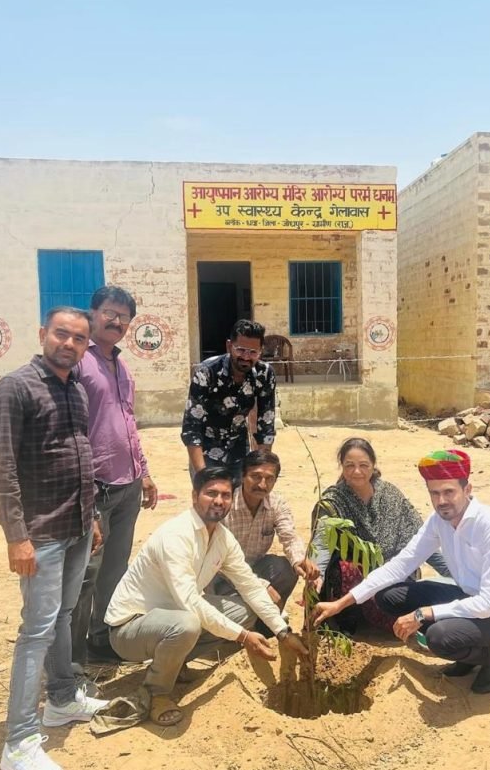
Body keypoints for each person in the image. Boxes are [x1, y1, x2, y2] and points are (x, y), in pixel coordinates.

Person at [0, 307, 108, 770]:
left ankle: (61, 699)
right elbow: (3, 471)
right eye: (61, 334)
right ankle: (18, 743)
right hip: (40, 533)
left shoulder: (76, 388)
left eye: (79, 338)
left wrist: (91, 516)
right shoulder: (14, 389)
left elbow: (79, 453)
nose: (69, 344)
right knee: (36, 629)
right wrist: (16, 536)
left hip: (75, 527)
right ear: (42, 334)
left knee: (63, 615)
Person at [312, 449, 490, 694]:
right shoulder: (438, 521)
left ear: (467, 489)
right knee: (389, 596)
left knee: (438, 637)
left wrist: (422, 614)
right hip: (469, 598)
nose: (441, 501)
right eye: (434, 493)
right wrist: (341, 603)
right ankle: (469, 655)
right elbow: (401, 564)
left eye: (449, 492)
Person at [105, 466, 308, 726]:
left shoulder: (222, 538)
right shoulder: (176, 535)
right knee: (187, 624)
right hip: (130, 628)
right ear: (194, 496)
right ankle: (156, 694)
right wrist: (243, 636)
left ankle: (174, 664)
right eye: (211, 493)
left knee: (244, 611)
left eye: (225, 495)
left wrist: (282, 631)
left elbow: (249, 585)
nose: (219, 501)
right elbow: (189, 601)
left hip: (174, 615)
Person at [70, 285, 158, 669]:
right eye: (110, 312)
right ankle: (71, 660)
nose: (116, 321)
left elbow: (128, 424)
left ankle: (101, 639)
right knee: (84, 575)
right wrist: (84, 498)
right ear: (93, 313)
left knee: (114, 570)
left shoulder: (121, 367)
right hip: (95, 488)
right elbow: (71, 432)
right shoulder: (77, 363)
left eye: (124, 316)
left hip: (128, 485)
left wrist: (145, 472)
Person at [311, 437, 450, 633]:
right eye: (349, 465)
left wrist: (453, 573)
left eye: (363, 465)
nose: (357, 471)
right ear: (341, 466)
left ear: (373, 465)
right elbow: (322, 543)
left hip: (394, 572)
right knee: (346, 569)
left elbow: (421, 540)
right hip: (352, 578)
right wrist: (317, 575)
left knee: (404, 600)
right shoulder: (333, 501)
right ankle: (348, 620)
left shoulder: (390, 495)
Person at [213, 450, 319, 622]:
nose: (262, 485)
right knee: (241, 609)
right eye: (256, 476)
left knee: (286, 568)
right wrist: (261, 587)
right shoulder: (225, 506)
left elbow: (289, 537)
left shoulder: (276, 503)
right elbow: (222, 563)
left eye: (269, 479)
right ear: (242, 475)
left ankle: (265, 624)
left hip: (254, 568)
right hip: (221, 577)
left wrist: (300, 560)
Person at [181, 319, 276, 481]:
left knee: (241, 496)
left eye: (253, 352)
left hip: (239, 450)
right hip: (206, 450)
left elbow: (266, 425)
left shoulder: (264, 374)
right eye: (240, 350)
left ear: (260, 351)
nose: (246, 357)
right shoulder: (207, 372)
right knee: (212, 495)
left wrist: (261, 469)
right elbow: (191, 428)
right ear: (229, 346)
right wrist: (202, 475)